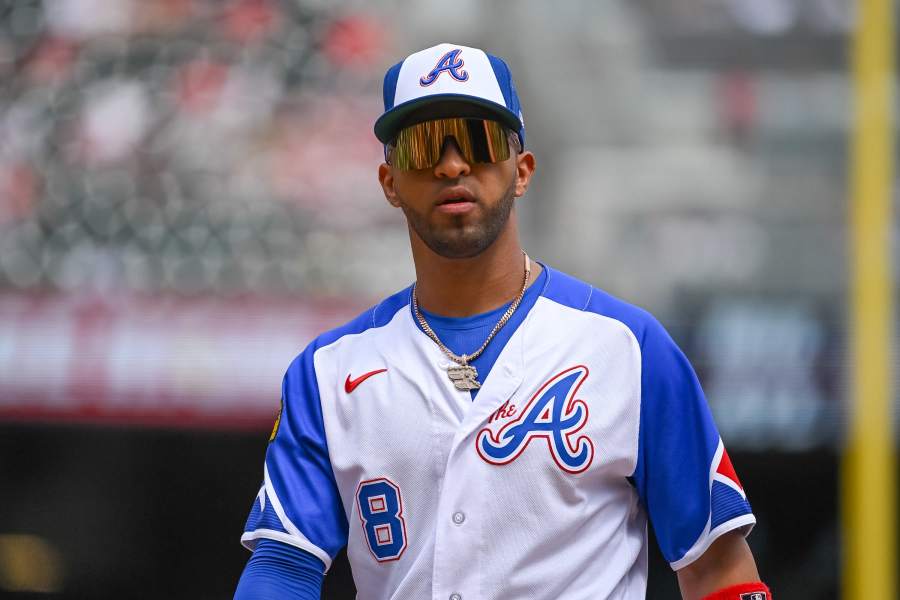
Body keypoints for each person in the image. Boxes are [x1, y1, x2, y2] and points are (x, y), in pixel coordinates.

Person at [233, 43, 770, 600]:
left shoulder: (628, 349)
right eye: (421, 146)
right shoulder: (327, 373)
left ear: (522, 171)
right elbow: (284, 566)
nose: (452, 164)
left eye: (478, 141)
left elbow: (717, 566)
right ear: (389, 182)